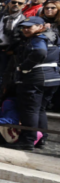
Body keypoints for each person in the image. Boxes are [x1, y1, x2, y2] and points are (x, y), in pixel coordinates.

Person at [12, 16, 60, 150]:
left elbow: (39, 52)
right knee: (40, 109)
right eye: (24, 27)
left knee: (30, 110)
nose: (26, 29)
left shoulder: (38, 38)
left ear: (40, 27)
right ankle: (41, 139)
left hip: (36, 79)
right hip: (53, 78)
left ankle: (28, 140)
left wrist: (25, 66)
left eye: (30, 26)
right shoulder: (53, 36)